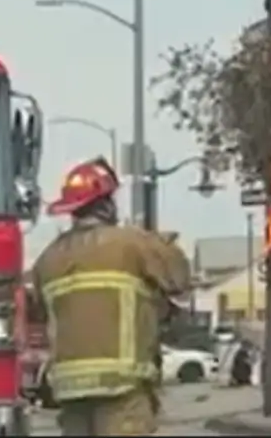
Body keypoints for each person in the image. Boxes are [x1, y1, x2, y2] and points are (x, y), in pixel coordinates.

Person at [28, 158, 193, 436]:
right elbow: (179, 278)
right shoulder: (132, 243)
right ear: (106, 204)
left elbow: (42, 314)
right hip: (123, 386)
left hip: (70, 391)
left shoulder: (47, 260)